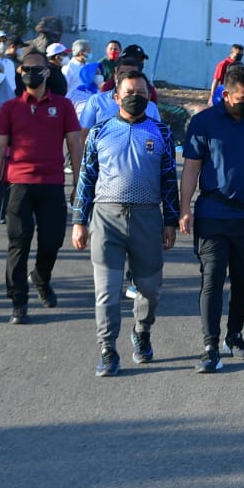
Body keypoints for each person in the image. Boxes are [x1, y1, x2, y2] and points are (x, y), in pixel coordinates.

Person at [71, 72, 178, 377]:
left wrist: (170, 221)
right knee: (106, 291)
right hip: (106, 218)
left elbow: (169, 179)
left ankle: (142, 331)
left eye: (142, 92)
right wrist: (79, 220)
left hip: (147, 218)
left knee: (149, 289)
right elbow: (86, 179)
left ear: (149, 96)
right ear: (116, 97)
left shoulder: (161, 133)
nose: (136, 96)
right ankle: (107, 349)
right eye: (130, 91)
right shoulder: (100, 132)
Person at [179, 65, 244, 373]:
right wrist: (186, 208)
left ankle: (234, 334)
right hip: (213, 213)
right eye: (243, 97)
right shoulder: (203, 122)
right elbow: (191, 169)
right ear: (226, 94)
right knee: (211, 278)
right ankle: (210, 346)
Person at [0, 48, 84, 324]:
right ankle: (18, 301)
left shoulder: (63, 106)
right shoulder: (10, 108)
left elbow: (75, 144)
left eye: (37, 69)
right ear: (20, 72)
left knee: (52, 241)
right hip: (19, 184)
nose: (31, 73)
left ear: (47, 72)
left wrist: (78, 183)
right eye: (26, 68)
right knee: (18, 243)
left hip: (53, 183)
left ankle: (41, 279)